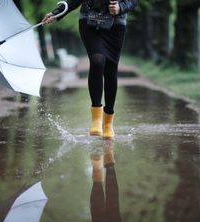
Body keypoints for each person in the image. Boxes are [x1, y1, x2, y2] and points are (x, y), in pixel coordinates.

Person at [42, 0, 139, 139]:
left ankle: (108, 122)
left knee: (111, 70)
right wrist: (57, 13)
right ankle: (96, 117)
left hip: (115, 24)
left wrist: (121, 7)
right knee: (97, 61)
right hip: (89, 21)